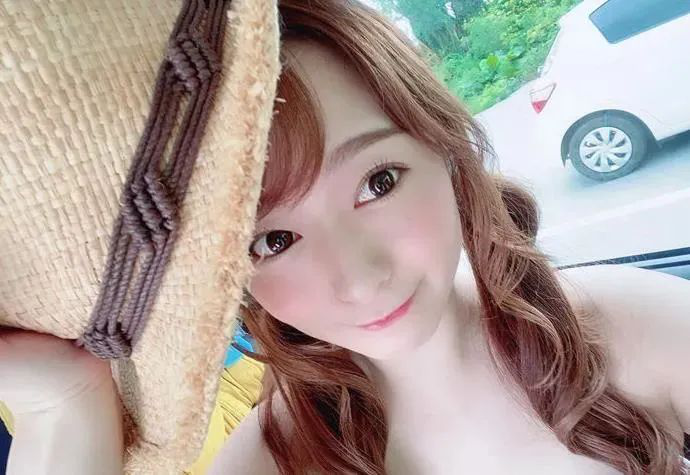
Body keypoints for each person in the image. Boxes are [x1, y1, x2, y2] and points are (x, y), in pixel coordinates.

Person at [1, 0, 689, 474]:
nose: (360, 278)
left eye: (378, 182)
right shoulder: (275, 459)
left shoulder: (626, 328)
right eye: (273, 240)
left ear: (441, 149)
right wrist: (60, 408)